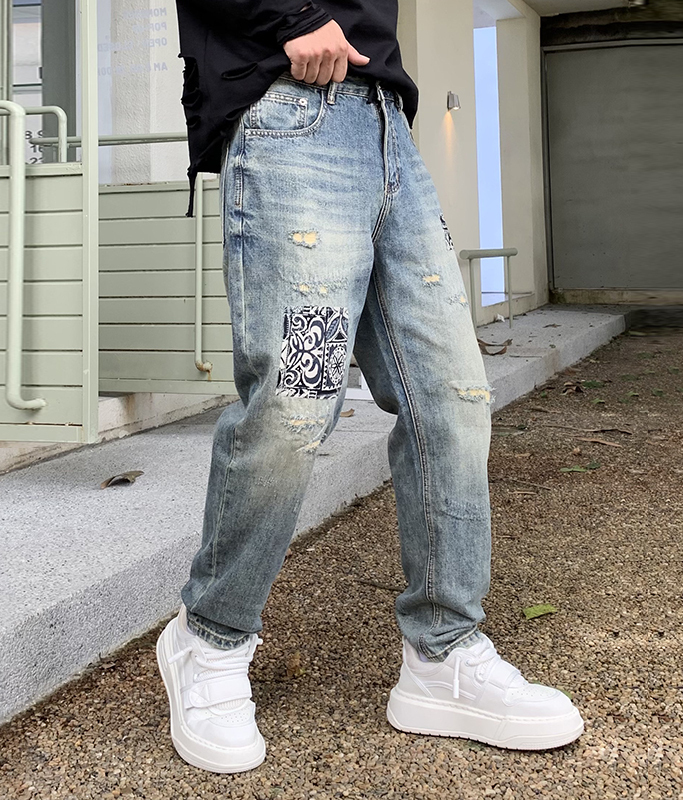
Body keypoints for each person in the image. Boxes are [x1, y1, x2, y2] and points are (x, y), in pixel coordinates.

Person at [157, 0, 584, 774]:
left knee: (453, 397)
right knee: (299, 399)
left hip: (388, 129)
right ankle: (209, 638)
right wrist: (290, 15)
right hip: (290, 115)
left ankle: (442, 652)